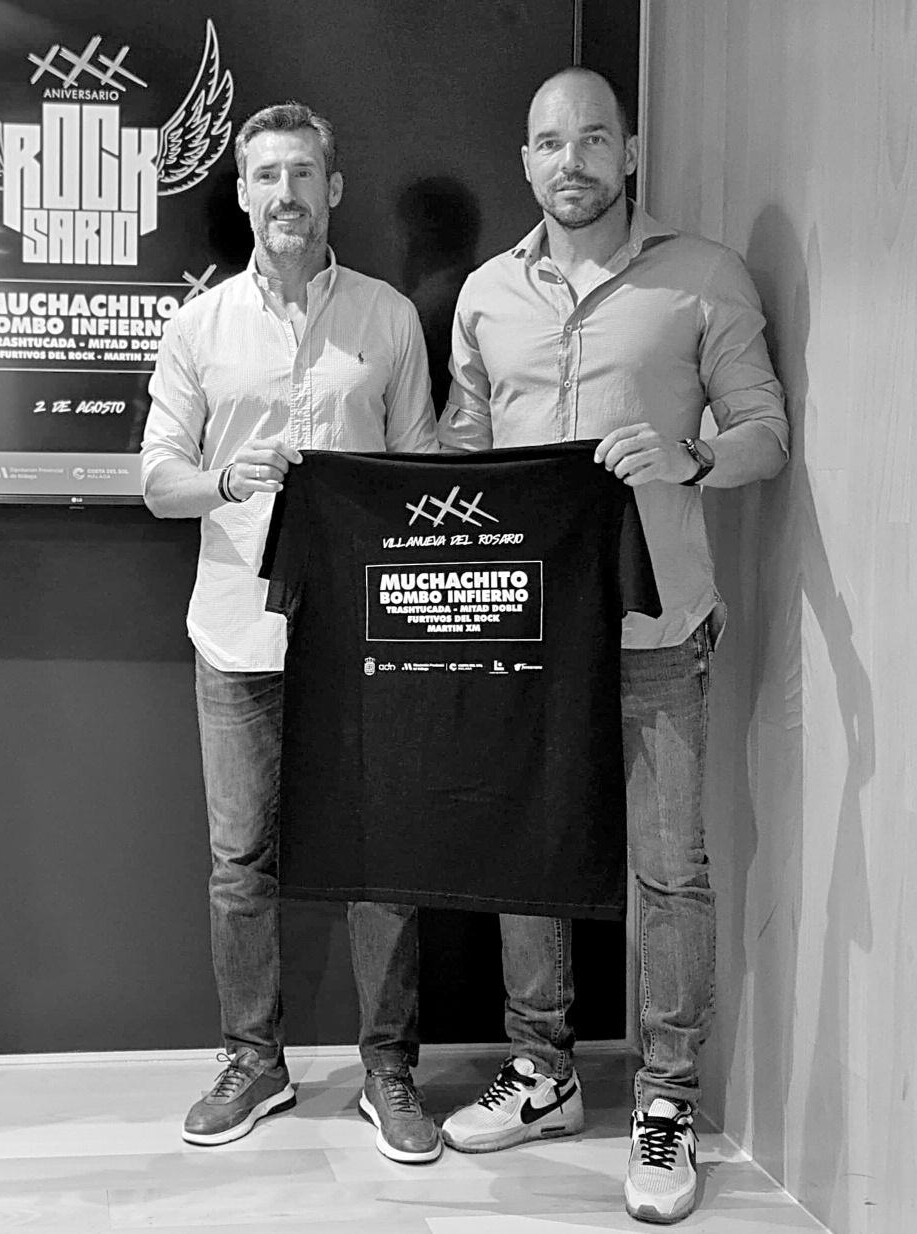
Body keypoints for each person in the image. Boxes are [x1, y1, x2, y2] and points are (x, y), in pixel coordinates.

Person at [436, 67, 788, 1225]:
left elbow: (763, 433)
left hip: (655, 626)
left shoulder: (702, 277)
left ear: (627, 153)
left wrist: (690, 456)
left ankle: (664, 1099)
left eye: (593, 138)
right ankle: (541, 1071)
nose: (571, 160)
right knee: (524, 858)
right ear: (523, 161)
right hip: (524, 634)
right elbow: (464, 448)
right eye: (549, 142)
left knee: (667, 872)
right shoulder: (485, 294)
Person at [141, 102, 442, 1162]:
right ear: (241, 194)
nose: (285, 194)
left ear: (333, 188)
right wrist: (228, 479)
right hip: (236, 636)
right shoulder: (198, 327)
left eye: (303, 173)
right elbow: (156, 479)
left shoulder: (387, 317)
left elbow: (423, 472)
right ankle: (251, 1060)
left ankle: (388, 1069)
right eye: (266, 176)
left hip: (364, 639)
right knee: (240, 862)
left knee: (382, 860)